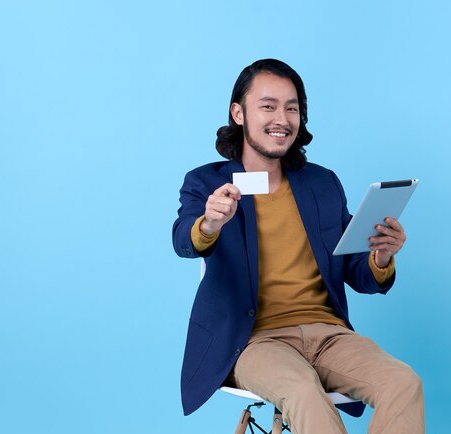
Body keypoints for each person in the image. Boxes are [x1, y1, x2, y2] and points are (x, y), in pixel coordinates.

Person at [172, 58, 424, 433]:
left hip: (329, 334)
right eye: (268, 106)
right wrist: (209, 223)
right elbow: (184, 240)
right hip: (253, 341)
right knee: (305, 391)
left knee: (403, 382)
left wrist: (381, 255)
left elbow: (355, 271)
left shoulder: (321, 183)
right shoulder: (206, 181)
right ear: (238, 112)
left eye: (292, 108)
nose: (283, 119)